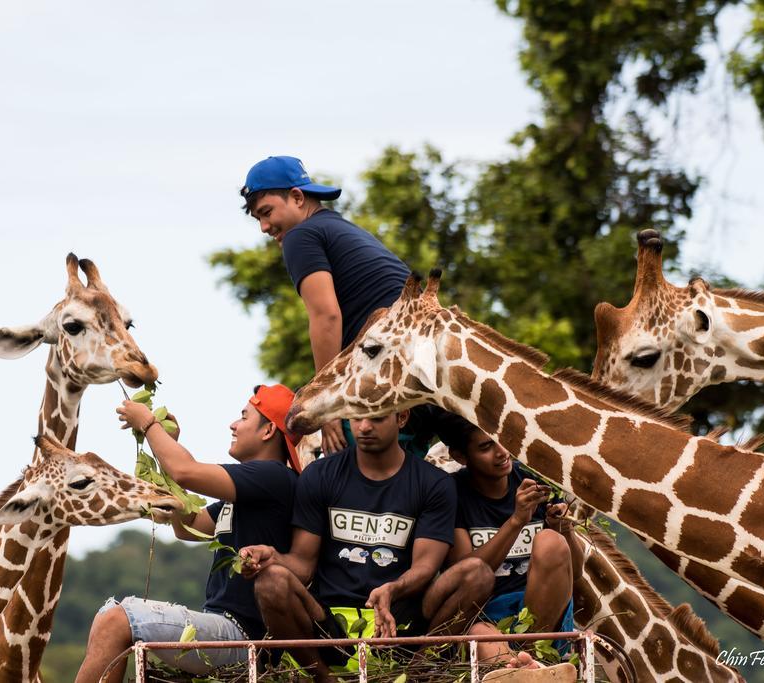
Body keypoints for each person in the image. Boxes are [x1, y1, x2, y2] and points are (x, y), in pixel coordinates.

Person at [238, 409, 492, 683]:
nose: (364, 427)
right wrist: (272, 557)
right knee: (270, 581)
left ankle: (418, 671)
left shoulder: (434, 483)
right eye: (357, 417)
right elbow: (303, 565)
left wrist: (393, 589)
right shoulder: (320, 474)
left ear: (402, 418)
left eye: (378, 418)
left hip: (400, 622)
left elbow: (426, 567)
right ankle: (323, 678)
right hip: (331, 626)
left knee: (477, 573)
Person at [74, 385, 302, 683]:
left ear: (268, 430)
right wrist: (166, 450)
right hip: (225, 627)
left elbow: (186, 471)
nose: (233, 424)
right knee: (109, 616)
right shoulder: (251, 490)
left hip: (242, 636)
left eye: (244, 417)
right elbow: (189, 525)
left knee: (116, 619)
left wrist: (149, 424)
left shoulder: (272, 476)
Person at [240, 155, 438, 456]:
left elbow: (326, 316)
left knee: (348, 473)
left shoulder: (300, 236)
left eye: (267, 212)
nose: (265, 227)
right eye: (258, 219)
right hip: (427, 372)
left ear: (296, 197)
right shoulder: (336, 227)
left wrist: (326, 405)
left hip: (389, 373)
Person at [435, 411, 584, 668]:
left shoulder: (534, 480)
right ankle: (525, 669)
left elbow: (577, 571)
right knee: (481, 636)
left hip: (543, 622)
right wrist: (516, 521)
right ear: (460, 456)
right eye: (485, 447)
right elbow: (467, 572)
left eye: (501, 439)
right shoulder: (453, 492)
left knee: (550, 540)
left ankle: (530, 657)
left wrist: (564, 529)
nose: (502, 452)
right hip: (486, 618)